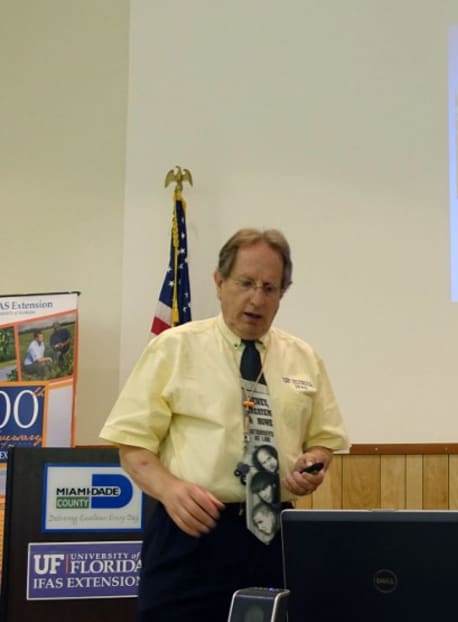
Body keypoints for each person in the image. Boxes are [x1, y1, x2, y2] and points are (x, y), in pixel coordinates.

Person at [99, 228, 349, 622]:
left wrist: (312, 465)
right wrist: (171, 489)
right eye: (245, 283)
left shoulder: (304, 359)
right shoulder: (174, 348)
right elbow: (131, 445)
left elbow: (322, 441)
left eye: (270, 287)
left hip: (273, 537)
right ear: (219, 282)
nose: (257, 298)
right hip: (192, 531)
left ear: (283, 293)